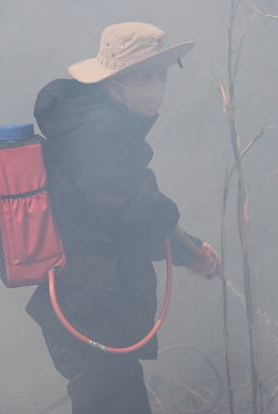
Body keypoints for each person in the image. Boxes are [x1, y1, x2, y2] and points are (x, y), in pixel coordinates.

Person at [25, 22, 222, 414]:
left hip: (97, 308)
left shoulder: (95, 125)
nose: (156, 85)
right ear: (112, 79)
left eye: (162, 75)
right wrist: (191, 251)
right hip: (88, 311)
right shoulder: (97, 133)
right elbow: (139, 212)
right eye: (144, 75)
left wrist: (192, 247)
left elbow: (131, 209)